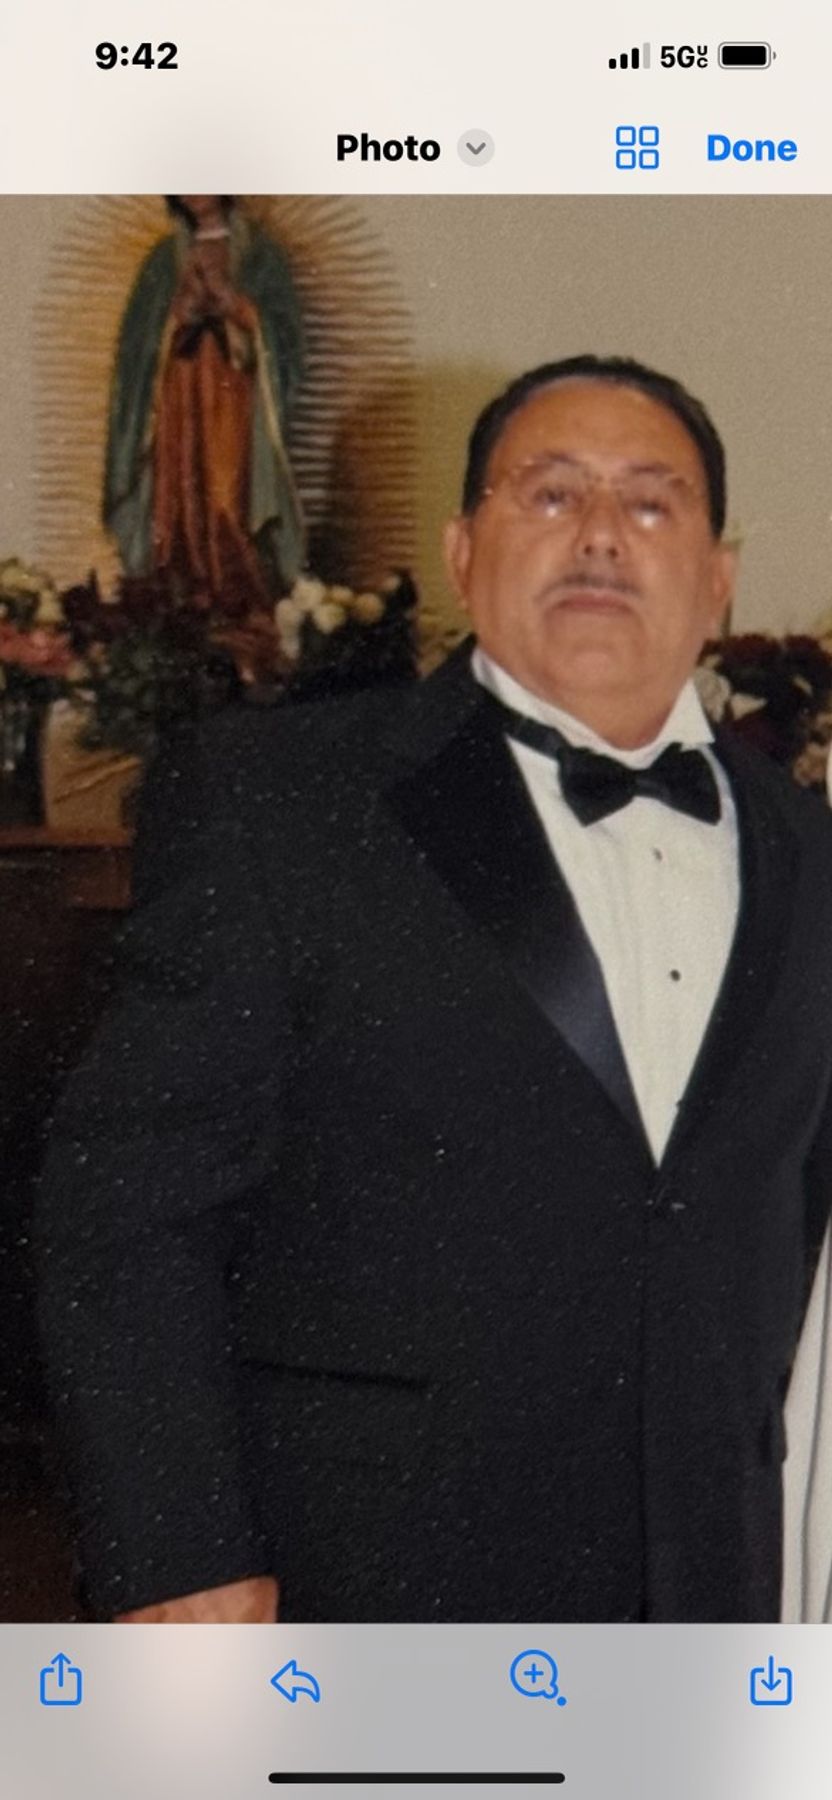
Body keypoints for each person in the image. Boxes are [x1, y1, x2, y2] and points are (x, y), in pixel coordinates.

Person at [35, 355, 832, 1624]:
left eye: (650, 502)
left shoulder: (806, 851)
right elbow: (123, 1212)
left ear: (716, 574)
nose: (600, 535)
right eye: (550, 493)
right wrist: (177, 1552)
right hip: (360, 1584)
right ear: (462, 551)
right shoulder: (278, 805)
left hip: (710, 1589)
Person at [103, 195, 305, 615]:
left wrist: (237, 307)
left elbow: (284, 334)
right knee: (176, 498)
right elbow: (136, 348)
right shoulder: (162, 260)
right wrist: (178, 316)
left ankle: (238, 607)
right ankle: (180, 602)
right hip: (178, 397)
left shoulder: (260, 254)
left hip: (234, 398)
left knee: (228, 500)